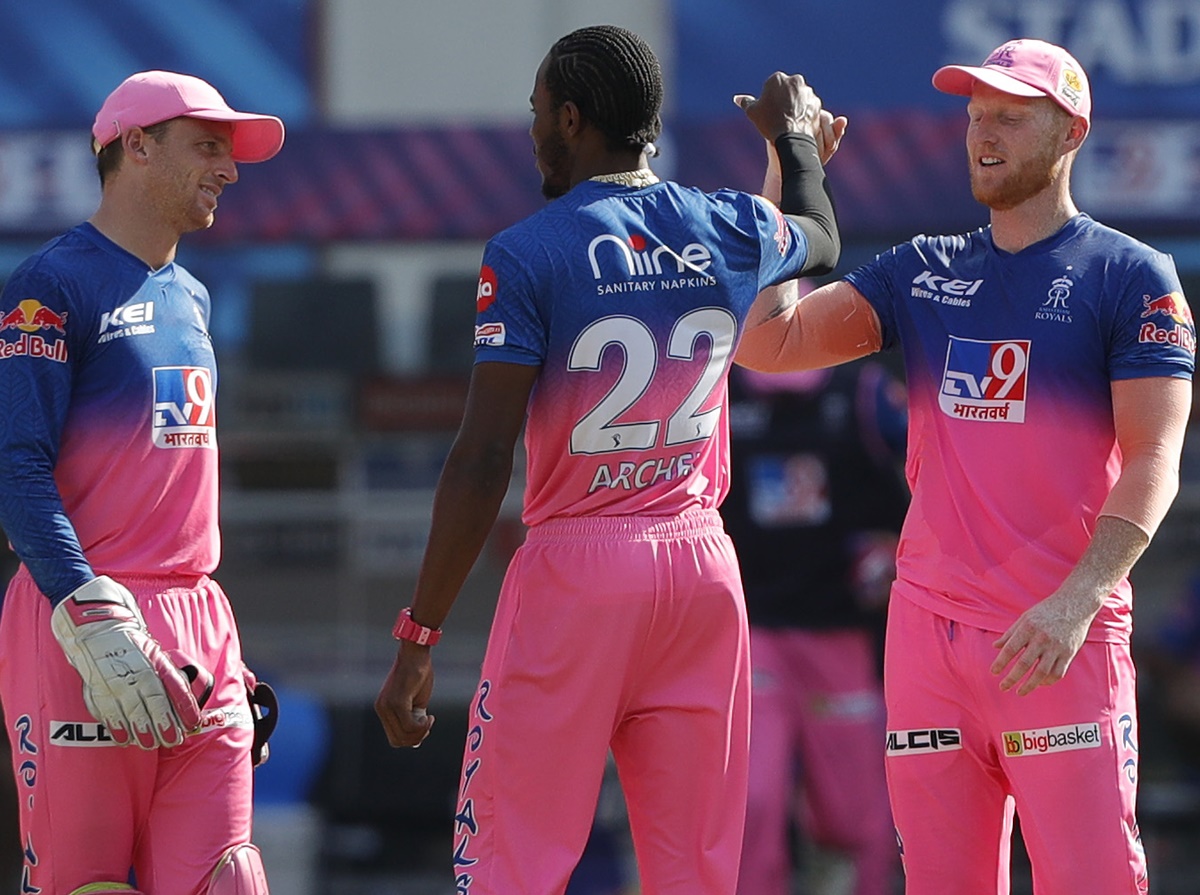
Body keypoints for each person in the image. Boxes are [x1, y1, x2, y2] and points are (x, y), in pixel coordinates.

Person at [375, 24, 846, 895]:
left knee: (509, 863)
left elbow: (481, 459)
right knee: (695, 872)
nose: (530, 135)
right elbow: (820, 232)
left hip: (575, 574)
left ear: (569, 117)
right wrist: (796, 142)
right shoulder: (728, 223)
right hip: (703, 568)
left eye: (536, 116)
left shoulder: (526, 252)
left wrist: (419, 633)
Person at [736, 38, 1194, 894]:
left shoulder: (1134, 277)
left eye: (1011, 118)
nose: (984, 133)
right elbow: (768, 344)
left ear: (1070, 134)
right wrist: (786, 179)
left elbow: (1156, 459)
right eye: (976, 115)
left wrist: (1078, 599)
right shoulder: (923, 269)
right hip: (927, 646)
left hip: (1057, 640)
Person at [0, 71, 284, 894]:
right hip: (79, 622)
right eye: (207, 147)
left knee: (229, 880)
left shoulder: (193, 297)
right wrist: (86, 610)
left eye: (228, 154)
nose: (227, 169)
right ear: (136, 145)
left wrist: (214, 642)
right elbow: (15, 467)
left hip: (200, 631)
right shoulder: (48, 287)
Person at [723, 352, 908, 895]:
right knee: (751, 801)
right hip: (752, 634)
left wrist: (907, 551)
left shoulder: (867, 394)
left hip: (845, 638)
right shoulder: (715, 389)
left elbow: (942, 472)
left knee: (857, 819)